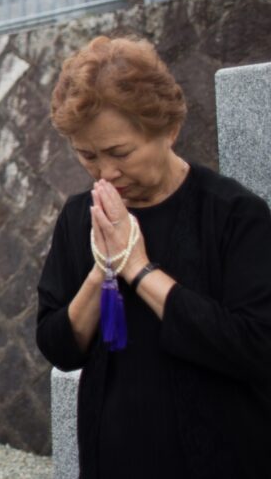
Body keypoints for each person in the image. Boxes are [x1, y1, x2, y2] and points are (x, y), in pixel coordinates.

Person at [36, 36, 271, 479]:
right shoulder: (78, 217)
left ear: (168, 129)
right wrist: (102, 269)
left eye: (120, 153)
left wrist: (138, 268)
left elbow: (255, 347)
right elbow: (58, 347)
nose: (105, 172)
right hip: (114, 453)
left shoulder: (234, 214)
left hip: (225, 454)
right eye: (87, 155)